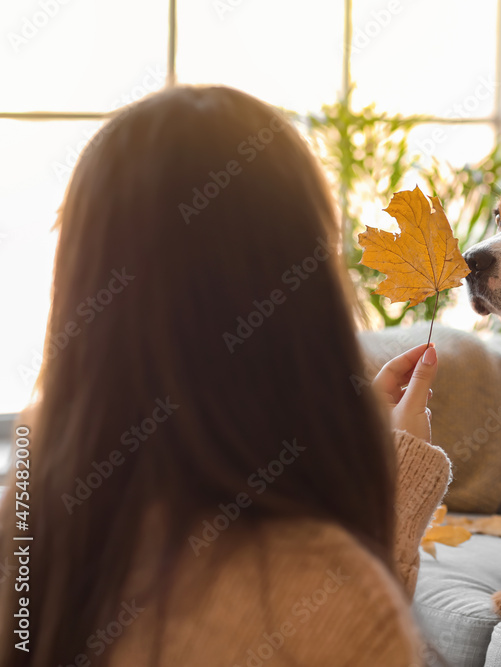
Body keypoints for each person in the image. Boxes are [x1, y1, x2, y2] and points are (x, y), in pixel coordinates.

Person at [0, 85, 451, 666]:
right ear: (302, 303)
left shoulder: (26, 523)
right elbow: (328, 623)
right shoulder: (326, 595)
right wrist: (395, 490)